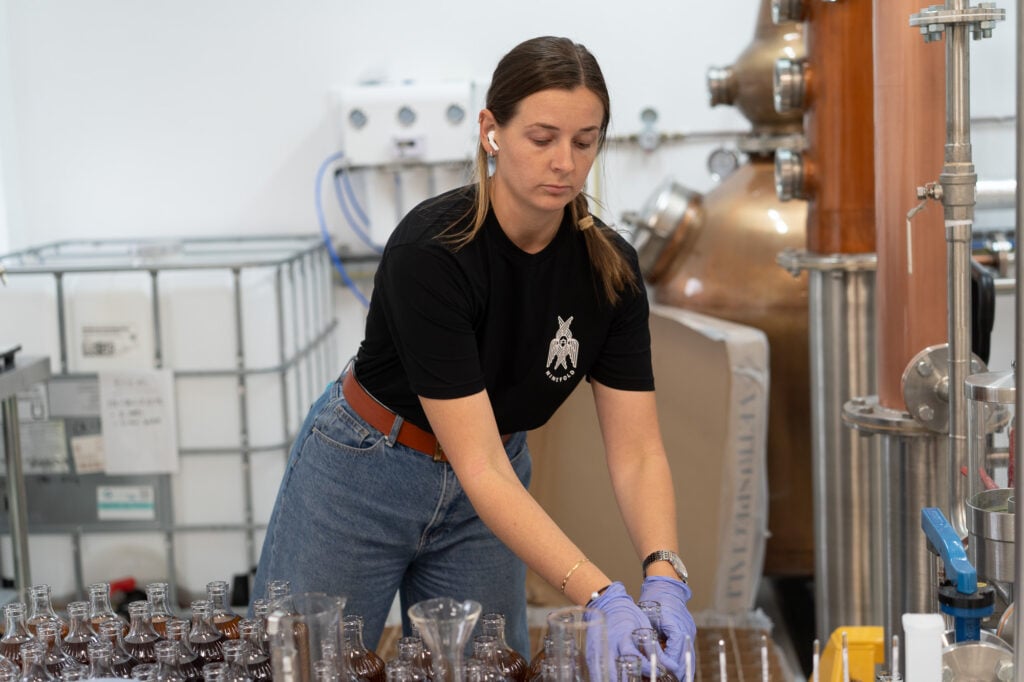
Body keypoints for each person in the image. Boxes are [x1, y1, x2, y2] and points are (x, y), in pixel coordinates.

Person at [252, 35, 696, 676]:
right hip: (363, 475)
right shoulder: (433, 254)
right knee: (302, 665)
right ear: (492, 130)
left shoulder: (609, 271)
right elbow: (478, 462)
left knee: (484, 668)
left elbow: (638, 452)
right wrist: (601, 595)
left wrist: (664, 573)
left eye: (584, 140)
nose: (565, 163)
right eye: (541, 138)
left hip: (490, 494)